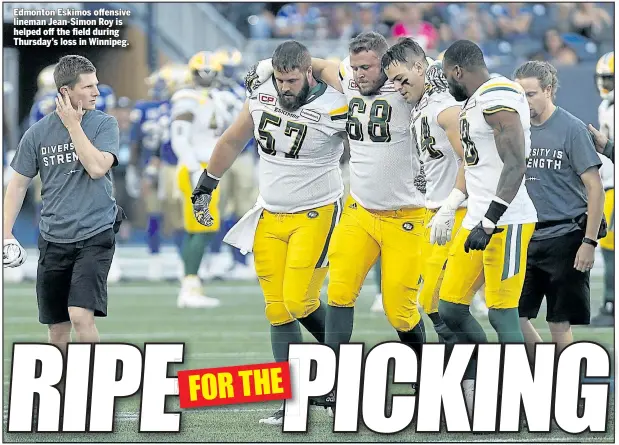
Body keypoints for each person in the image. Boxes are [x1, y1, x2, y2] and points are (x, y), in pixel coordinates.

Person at [192, 40, 348, 424]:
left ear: (309, 72)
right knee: (277, 311)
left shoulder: (337, 102)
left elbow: (351, 85)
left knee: (299, 302)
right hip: (269, 213)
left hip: (316, 212)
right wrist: (206, 185)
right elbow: (232, 139)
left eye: (292, 79)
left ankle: (346, 375)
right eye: (279, 79)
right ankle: (292, 401)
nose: (284, 87)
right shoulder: (263, 93)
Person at [439, 40, 538, 412]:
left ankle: (517, 396)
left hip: (506, 221)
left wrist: (491, 219)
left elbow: (516, 163)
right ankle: (483, 375)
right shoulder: (477, 98)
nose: (448, 83)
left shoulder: (498, 94)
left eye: (449, 76)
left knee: (500, 311)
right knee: (449, 306)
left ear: (459, 72)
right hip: (478, 217)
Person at [3, 54, 122, 354]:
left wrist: (73, 127)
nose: (97, 92)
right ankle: (61, 389)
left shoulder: (104, 124)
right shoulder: (38, 132)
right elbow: (17, 183)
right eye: (88, 87)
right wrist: (5, 234)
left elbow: (97, 168)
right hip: (54, 237)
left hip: (95, 233)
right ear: (66, 92)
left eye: (96, 84)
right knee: (56, 329)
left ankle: (93, 383)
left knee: (81, 316)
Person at [514, 61, 605, 353]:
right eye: (519, 95)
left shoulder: (572, 129)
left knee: (559, 321)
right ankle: (546, 371)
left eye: (529, 94)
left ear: (548, 90)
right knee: (509, 313)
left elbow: (595, 188)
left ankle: (568, 386)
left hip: (565, 235)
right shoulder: (515, 128)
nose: (524, 102)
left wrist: (589, 242)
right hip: (525, 235)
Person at [381, 39, 462, 345]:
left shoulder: (444, 104)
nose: (400, 88)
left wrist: (452, 204)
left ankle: (469, 376)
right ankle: (458, 376)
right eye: (394, 83)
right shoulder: (422, 105)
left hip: (452, 210)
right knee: (436, 302)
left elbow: (469, 161)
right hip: (433, 209)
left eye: (403, 79)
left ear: (420, 67)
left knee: (439, 302)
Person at [170, 51, 240, 308]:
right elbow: (179, 137)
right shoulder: (186, 99)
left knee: (201, 228)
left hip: (209, 168)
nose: (208, 78)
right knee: (201, 228)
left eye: (212, 73)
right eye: (203, 73)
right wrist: (192, 168)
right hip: (198, 167)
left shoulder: (219, 98)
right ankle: (189, 286)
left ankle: (191, 283)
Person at [591, 51, 615, 327]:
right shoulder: (606, 106)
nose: (605, 84)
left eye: (610, 79)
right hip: (609, 183)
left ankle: (610, 303)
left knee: (609, 243)